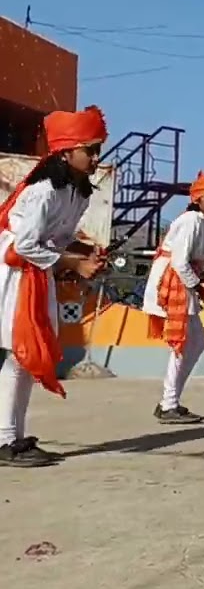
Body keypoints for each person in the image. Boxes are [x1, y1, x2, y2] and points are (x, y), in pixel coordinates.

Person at [0, 106, 107, 467]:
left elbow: (56, 240)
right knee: (21, 354)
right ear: (66, 152)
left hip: (35, 272)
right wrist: (75, 263)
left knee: (26, 358)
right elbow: (25, 245)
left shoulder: (79, 193)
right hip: (15, 272)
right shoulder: (43, 191)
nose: (96, 157)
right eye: (89, 150)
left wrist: (85, 251)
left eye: (97, 150)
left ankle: (12, 437)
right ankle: (5, 440)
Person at [144, 170, 204, 424]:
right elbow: (180, 262)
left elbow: (196, 262)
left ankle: (170, 401)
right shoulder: (191, 221)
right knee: (186, 343)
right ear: (197, 199)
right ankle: (168, 403)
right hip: (172, 282)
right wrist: (201, 290)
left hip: (184, 280)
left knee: (197, 341)